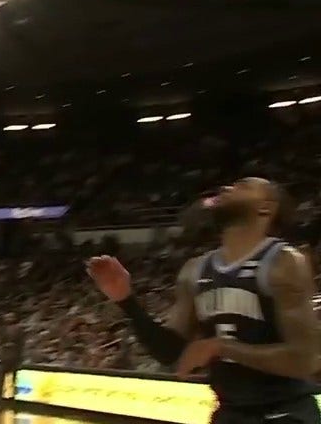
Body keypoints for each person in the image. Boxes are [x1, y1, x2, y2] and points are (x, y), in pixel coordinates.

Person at [88, 177, 320, 424]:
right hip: (230, 412)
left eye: (243, 186)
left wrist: (221, 347)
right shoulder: (195, 269)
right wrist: (126, 300)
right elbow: (171, 353)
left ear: (266, 207)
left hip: (285, 413)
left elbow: (305, 360)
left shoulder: (284, 263)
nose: (228, 187)